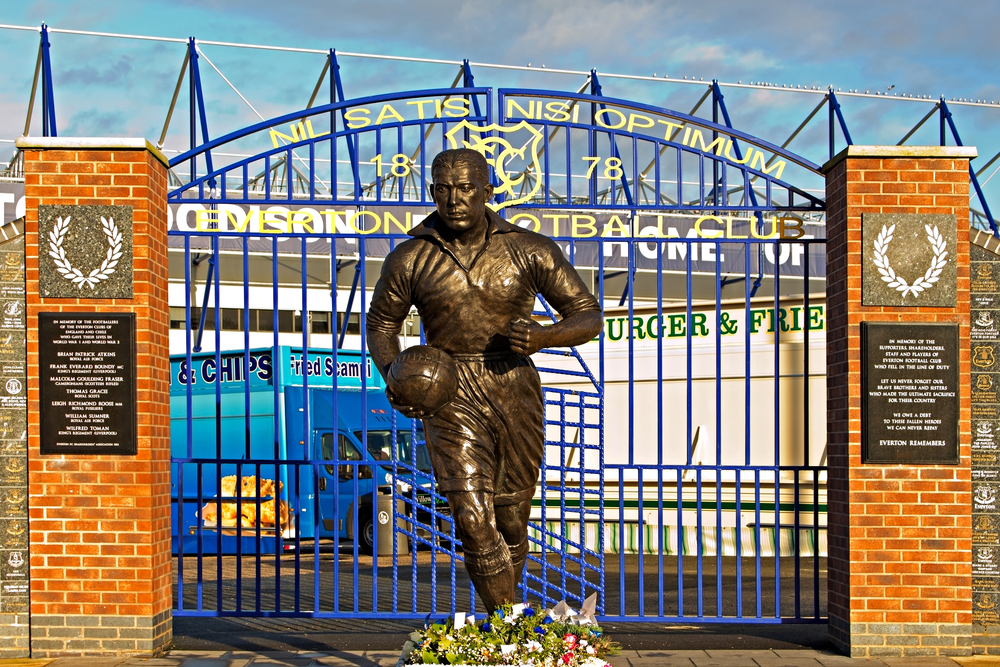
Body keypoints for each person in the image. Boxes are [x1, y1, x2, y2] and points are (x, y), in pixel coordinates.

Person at [366, 148, 602, 613]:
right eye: (443, 189)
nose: (453, 199)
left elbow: (588, 314)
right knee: (473, 518)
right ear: (432, 191)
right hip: (447, 390)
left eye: (465, 188)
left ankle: (506, 618)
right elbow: (381, 326)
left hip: (512, 387)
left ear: (488, 191)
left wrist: (544, 336)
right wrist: (395, 376)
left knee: (511, 517)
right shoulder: (410, 257)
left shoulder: (530, 249)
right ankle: (506, 631)